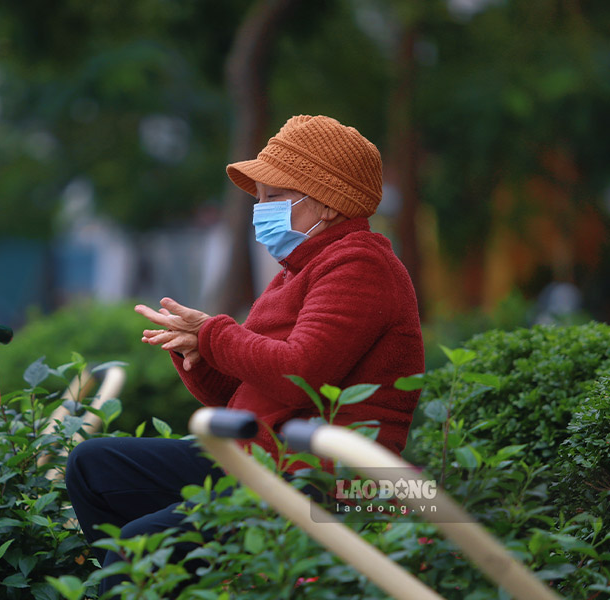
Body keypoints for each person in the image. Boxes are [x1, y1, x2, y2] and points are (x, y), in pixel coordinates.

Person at [65, 114, 424, 595]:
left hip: (324, 478)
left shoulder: (360, 263)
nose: (259, 209)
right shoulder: (295, 271)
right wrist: (197, 352)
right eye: (258, 197)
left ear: (328, 203)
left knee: (138, 546)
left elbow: (299, 373)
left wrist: (213, 334)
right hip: (256, 458)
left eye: (274, 196)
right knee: (92, 465)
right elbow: (243, 394)